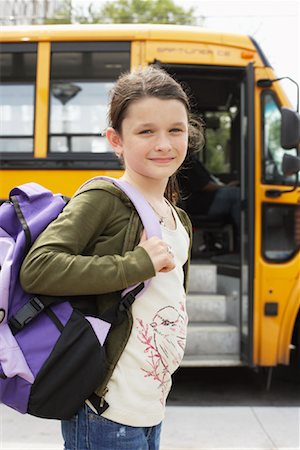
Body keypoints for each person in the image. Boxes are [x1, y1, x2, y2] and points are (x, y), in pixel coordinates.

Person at [20, 66, 203, 450]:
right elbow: (38, 269)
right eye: (146, 131)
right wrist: (136, 264)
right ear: (116, 140)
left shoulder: (177, 216)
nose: (164, 144)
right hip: (105, 410)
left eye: (176, 130)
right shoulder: (104, 197)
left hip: (150, 403)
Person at [178, 153, 240, 234]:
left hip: (206, 201)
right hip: (203, 204)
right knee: (237, 194)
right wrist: (227, 187)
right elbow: (205, 186)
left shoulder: (192, 160)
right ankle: (244, 234)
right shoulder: (189, 161)